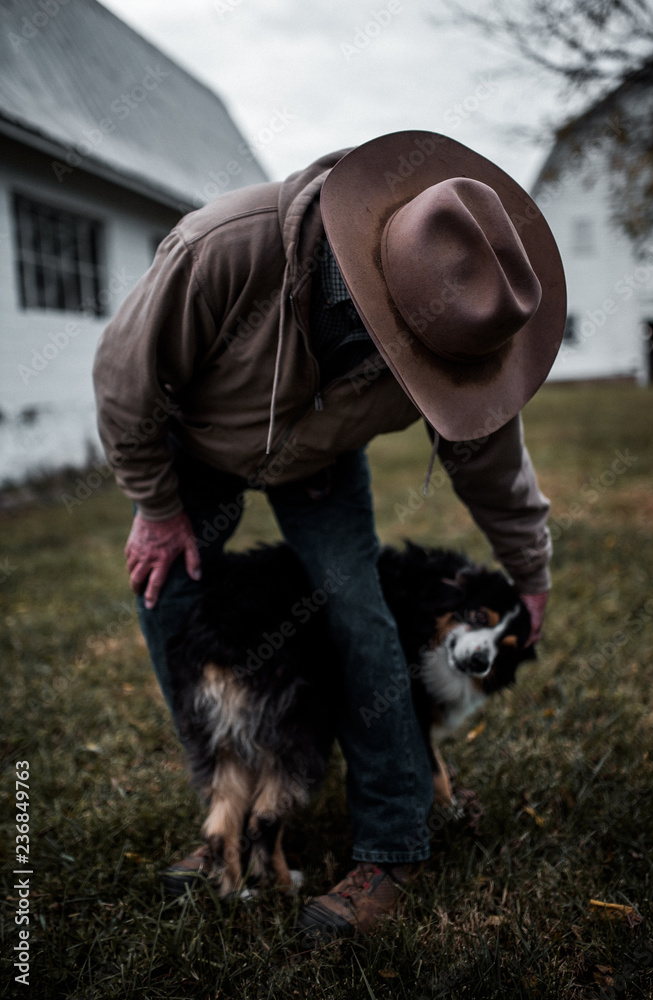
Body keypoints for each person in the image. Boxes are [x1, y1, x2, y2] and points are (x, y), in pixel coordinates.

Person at [93, 130, 565, 939]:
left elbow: (490, 461)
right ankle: (227, 819)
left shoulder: (464, 317)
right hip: (196, 445)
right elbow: (123, 379)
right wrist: (159, 505)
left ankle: (390, 847)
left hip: (320, 465)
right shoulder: (222, 249)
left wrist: (529, 569)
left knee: (360, 615)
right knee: (169, 602)